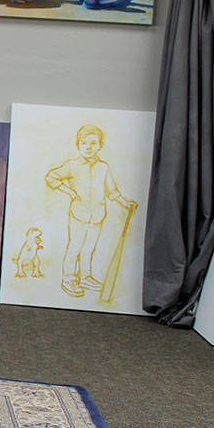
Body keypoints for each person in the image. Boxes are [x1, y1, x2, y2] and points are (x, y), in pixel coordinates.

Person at [45, 125, 138, 298]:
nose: (88, 147)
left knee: (89, 248)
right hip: (79, 214)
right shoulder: (72, 166)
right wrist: (70, 192)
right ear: (78, 145)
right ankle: (69, 279)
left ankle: (85, 277)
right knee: (75, 247)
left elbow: (112, 191)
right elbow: (51, 177)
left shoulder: (104, 167)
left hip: (98, 215)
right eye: (84, 143)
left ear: (100, 145)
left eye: (93, 143)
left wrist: (125, 202)